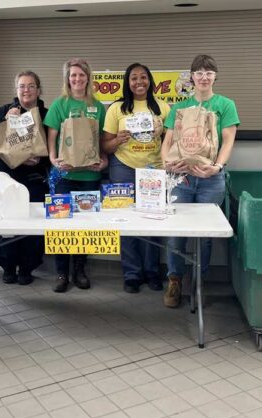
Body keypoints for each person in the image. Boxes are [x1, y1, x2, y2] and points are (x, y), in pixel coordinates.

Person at [160, 54, 240, 308]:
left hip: (210, 180)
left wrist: (217, 167)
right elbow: (168, 141)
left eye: (209, 72)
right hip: (181, 179)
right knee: (176, 232)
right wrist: (166, 163)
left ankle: (199, 282)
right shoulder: (179, 108)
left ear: (215, 76)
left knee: (204, 235)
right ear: (192, 77)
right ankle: (175, 281)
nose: (204, 77)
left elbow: (228, 140)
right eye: (199, 72)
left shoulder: (225, 105)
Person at [102, 63, 171, 293]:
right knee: (125, 220)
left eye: (143, 77)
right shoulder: (116, 109)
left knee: (152, 221)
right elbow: (105, 146)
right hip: (122, 167)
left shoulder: (163, 108)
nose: (139, 82)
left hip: (154, 169)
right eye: (134, 78)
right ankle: (131, 273)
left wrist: (162, 133)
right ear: (127, 83)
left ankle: (152, 271)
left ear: (150, 81)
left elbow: (171, 143)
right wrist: (117, 141)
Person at [44, 58, 107, 293]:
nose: (77, 79)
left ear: (88, 77)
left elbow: (100, 140)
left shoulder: (98, 106)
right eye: (73, 76)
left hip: (89, 177)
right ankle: (61, 273)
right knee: (60, 224)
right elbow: (52, 136)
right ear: (67, 79)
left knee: (84, 225)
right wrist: (53, 159)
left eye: (81, 75)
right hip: (64, 175)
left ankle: (80, 270)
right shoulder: (59, 104)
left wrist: (104, 160)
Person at [0, 71, 50, 285]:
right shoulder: (5, 110)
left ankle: (27, 267)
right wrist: (4, 121)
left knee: (33, 223)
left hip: (35, 177)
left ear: (38, 90)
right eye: (22, 86)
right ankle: (8, 265)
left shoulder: (46, 114)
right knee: (8, 223)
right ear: (16, 89)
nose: (26, 90)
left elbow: (56, 146)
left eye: (31, 86)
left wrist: (39, 160)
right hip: (8, 180)